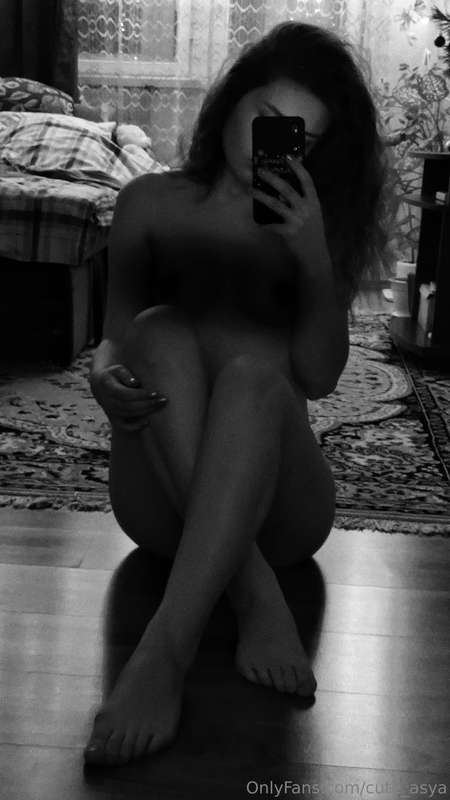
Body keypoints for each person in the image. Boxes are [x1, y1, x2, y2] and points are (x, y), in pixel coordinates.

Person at [84, 21, 390, 766]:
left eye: (297, 137)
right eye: (266, 117)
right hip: (160, 501)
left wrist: (312, 258)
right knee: (157, 330)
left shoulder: (313, 226)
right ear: (231, 102)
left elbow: (318, 377)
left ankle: (164, 650)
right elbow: (116, 339)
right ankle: (253, 592)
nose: (271, 145)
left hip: (282, 509)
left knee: (255, 376)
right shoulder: (147, 204)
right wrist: (102, 374)